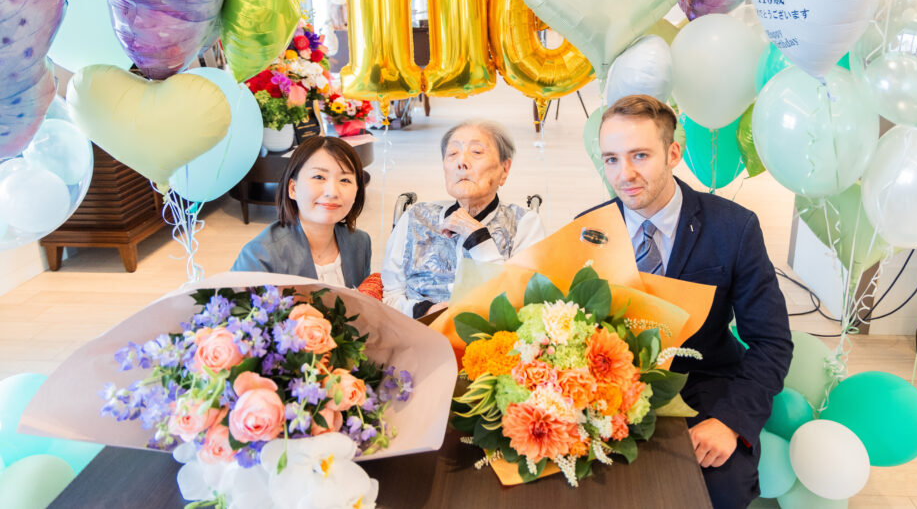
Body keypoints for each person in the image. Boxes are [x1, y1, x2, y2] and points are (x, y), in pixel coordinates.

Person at [582, 94, 793, 508]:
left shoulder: (734, 228)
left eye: (640, 155)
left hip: (704, 381)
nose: (624, 174)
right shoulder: (588, 230)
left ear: (673, 152)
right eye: (611, 159)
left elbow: (771, 342)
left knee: (723, 486)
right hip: (609, 388)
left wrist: (730, 422)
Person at [381, 120, 546, 318]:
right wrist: (424, 311)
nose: (462, 162)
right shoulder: (415, 217)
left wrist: (478, 237)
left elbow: (524, 301)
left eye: (476, 152)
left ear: (505, 169)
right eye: (452, 154)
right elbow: (390, 294)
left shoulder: (524, 223)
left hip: (491, 341)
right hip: (417, 336)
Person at [232, 136, 371, 287]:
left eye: (345, 180)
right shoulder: (260, 255)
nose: (332, 192)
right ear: (293, 189)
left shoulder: (360, 243)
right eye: (319, 177)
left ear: (357, 190)